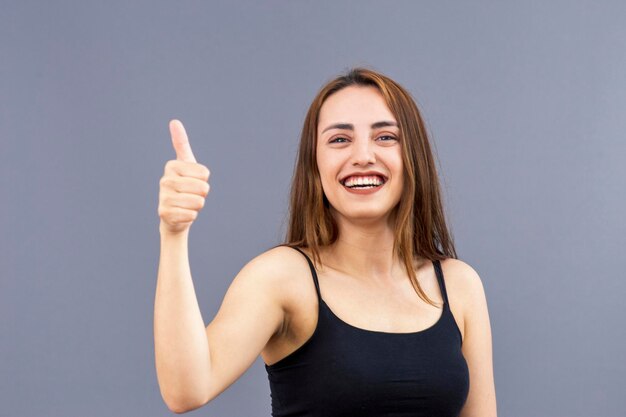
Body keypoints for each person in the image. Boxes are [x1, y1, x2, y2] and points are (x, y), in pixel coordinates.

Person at [154, 68, 497, 416]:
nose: (363, 155)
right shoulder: (282, 278)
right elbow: (186, 390)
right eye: (339, 140)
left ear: (414, 157)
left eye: (385, 137)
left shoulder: (458, 285)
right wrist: (173, 232)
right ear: (314, 164)